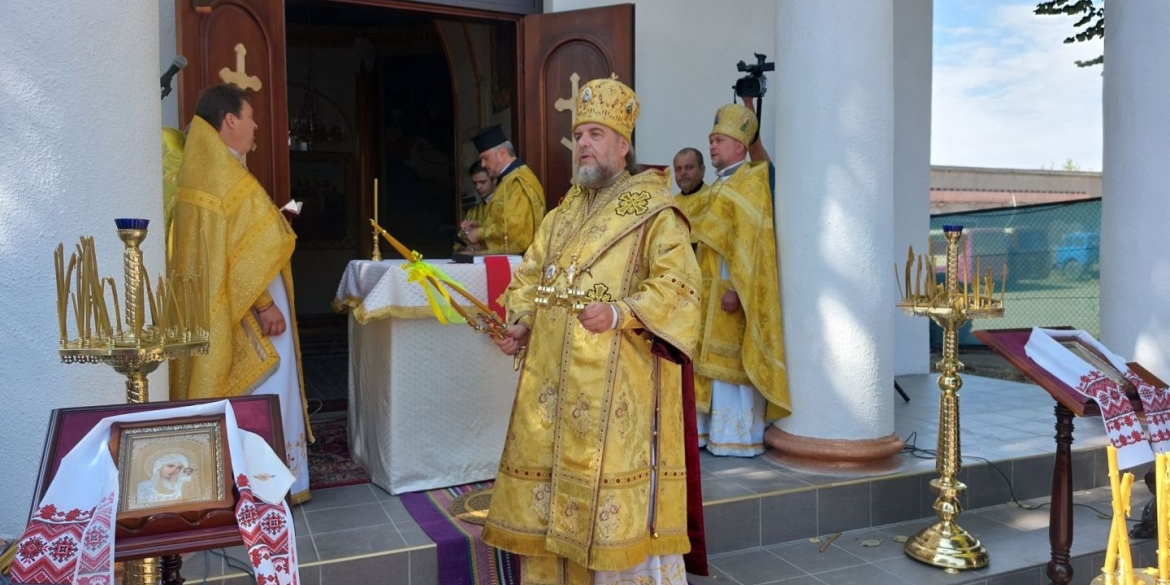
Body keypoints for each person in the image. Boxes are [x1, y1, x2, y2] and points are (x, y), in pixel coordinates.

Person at [483, 77, 705, 584]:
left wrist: (621, 312)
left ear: (623, 145)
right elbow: (531, 278)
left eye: (596, 134)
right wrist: (521, 323)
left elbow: (679, 286)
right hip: (553, 394)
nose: (583, 142)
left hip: (618, 394)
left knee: (610, 525)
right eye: (579, 133)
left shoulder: (654, 212)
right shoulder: (560, 215)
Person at [168, 83, 312, 503]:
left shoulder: (201, 170)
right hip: (251, 310)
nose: (255, 128)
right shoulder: (227, 175)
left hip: (222, 307)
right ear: (229, 120)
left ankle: (234, 478)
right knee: (267, 388)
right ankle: (268, 483)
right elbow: (243, 253)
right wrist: (266, 305)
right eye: (250, 118)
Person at [691, 100, 790, 457]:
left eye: (718, 140)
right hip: (708, 290)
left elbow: (751, 242)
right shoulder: (719, 185)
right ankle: (712, 434)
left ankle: (739, 438)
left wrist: (734, 284)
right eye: (711, 139)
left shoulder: (752, 180)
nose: (712, 146)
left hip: (731, 290)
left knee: (731, 368)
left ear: (739, 145)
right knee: (711, 369)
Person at [459, 125, 546, 254]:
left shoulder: (518, 182)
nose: (482, 164)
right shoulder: (508, 180)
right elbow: (505, 222)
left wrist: (479, 233)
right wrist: (481, 226)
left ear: (502, 154)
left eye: (485, 158)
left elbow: (516, 233)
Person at [672, 147, 710, 223]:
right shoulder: (671, 203)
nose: (683, 173)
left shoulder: (713, 198)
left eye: (689, 167)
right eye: (678, 169)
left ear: (702, 170)